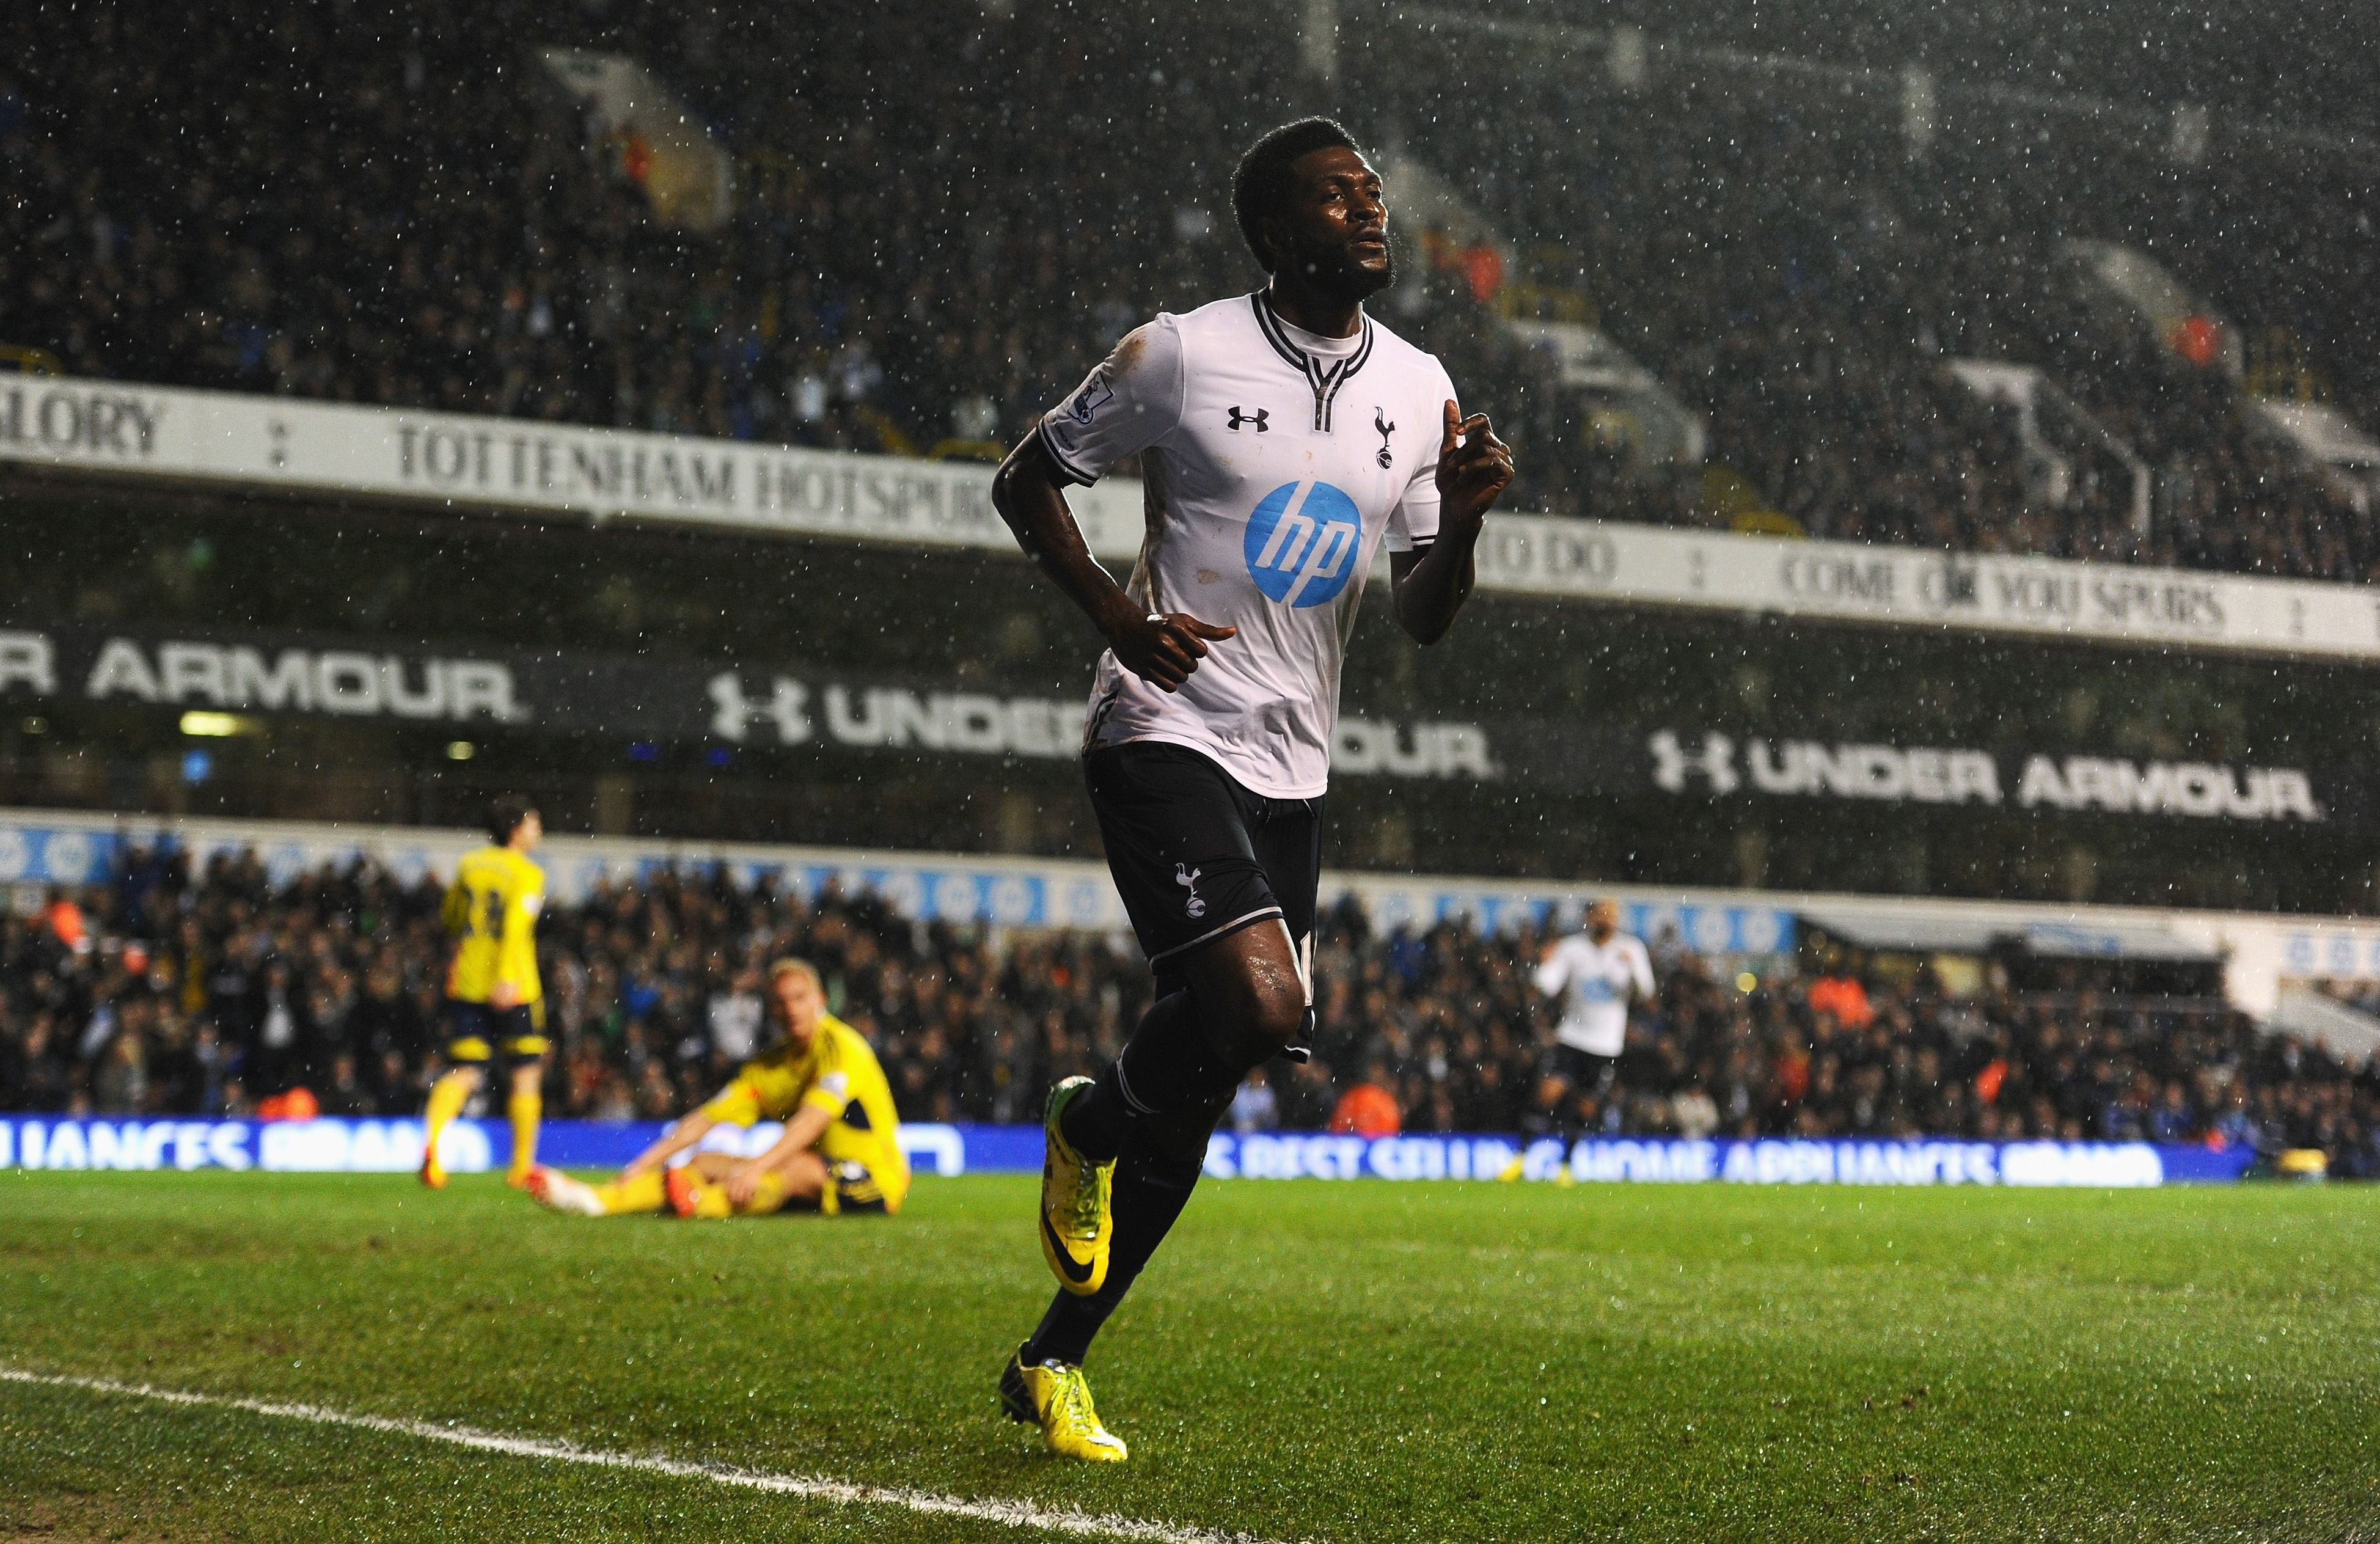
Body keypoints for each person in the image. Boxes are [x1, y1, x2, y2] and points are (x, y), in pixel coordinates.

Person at [987, 116, 1514, 1462]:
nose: (1372, 214)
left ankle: (1055, 1347)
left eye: (1375, 195)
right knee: (1261, 1001)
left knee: (1211, 1074)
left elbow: (1425, 611)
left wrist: (1463, 519)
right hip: (1161, 720)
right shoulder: (1179, 351)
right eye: (1339, 200)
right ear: (1277, 231)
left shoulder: (1419, 382)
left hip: (1295, 769)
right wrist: (1115, 614)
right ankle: (1094, 1124)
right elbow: (1027, 476)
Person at [526, 959, 908, 1220]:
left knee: (788, 1167)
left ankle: (697, 1204)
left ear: (821, 1001)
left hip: (876, 1180)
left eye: (800, 998)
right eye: (781, 1001)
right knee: (706, 1162)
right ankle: (600, 1200)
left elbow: (810, 1122)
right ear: (771, 1010)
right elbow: (705, 1118)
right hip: (814, 1177)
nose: (791, 1008)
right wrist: (641, 1165)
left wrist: (755, 1168)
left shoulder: (844, 1049)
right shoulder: (770, 1065)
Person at [420, 798, 549, 1190]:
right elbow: (514, 928)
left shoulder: (470, 866)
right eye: (533, 822)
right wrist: (507, 977)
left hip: (466, 982)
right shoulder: (527, 874)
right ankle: (521, 1168)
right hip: (514, 987)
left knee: (465, 1072)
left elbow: (451, 918)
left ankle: (434, 1150)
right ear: (516, 829)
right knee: (526, 1073)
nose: (538, 829)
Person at [1510, 900, 1655, 1180]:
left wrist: (1633, 968)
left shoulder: (1631, 949)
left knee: (1586, 1106)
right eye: (1602, 914)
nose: (1607, 920)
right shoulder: (1571, 948)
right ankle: (1521, 1157)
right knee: (1548, 1093)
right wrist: (1541, 964)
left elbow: (1646, 992)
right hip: (1572, 1037)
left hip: (1606, 1044)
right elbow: (1548, 984)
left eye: (1612, 915)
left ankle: (1566, 1165)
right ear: (1590, 917)